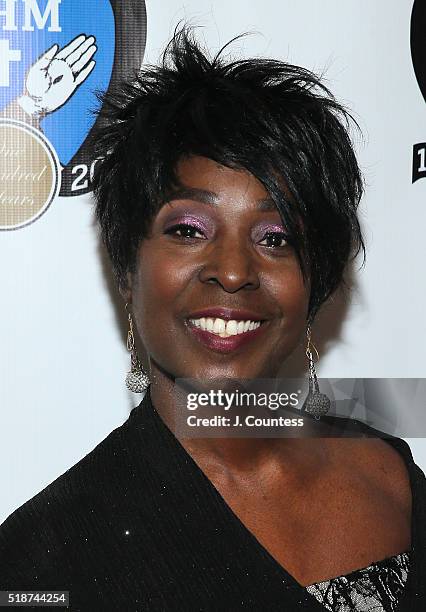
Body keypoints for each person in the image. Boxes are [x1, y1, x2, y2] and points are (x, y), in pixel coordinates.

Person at [1, 27, 425, 611]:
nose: (232, 271)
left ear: (317, 281)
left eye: (276, 238)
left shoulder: (391, 476)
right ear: (129, 267)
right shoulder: (42, 561)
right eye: (187, 230)